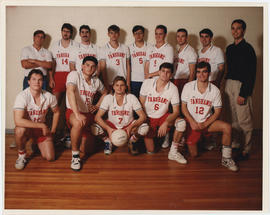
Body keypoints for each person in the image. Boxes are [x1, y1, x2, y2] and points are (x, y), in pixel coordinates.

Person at [181, 61, 238, 171]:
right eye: (198, 72)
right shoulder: (188, 86)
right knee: (194, 155)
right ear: (196, 73)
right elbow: (183, 108)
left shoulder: (215, 90)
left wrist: (205, 124)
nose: (201, 75)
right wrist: (192, 122)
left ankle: (226, 158)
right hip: (192, 122)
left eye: (204, 72)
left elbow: (217, 112)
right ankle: (193, 139)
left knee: (227, 127)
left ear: (209, 73)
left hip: (206, 122)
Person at [140, 62, 187, 164]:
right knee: (150, 151)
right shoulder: (147, 83)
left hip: (162, 117)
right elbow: (141, 104)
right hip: (148, 117)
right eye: (163, 71)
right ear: (159, 72)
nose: (165, 74)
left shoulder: (173, 88)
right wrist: (144, 120)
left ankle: (173, 152)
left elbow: (176, 111)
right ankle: (140, 138)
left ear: (171, 75)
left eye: (168, 72)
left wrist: (166, 122)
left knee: (181, 123)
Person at [66, 56, 107, 171]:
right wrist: (77, 113)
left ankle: (75, 139)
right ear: (82, 66)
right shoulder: (74, 75)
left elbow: (105, 93)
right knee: (78, 123)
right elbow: (70, 92)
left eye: (93, 66)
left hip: (88, 115)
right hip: (73, 112)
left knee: (88, 149)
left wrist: (97, 105)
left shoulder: (96, 81)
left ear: (95, 69)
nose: (90, 68)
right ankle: (75, 157)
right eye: (87, 65)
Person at [13, 69, 60, 170]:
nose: (37, 82)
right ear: (28, 81)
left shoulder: (49, 96)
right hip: (28, 128)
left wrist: (53, 130)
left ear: (43, 82)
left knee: (50, 157)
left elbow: (57, 112)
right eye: (33, 79)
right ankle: (21, 155)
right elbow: (18, 121)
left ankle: (35, 143)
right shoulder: (22, 96)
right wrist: (42, 125)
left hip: (40, 130)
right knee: (19, 130)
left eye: (40, 80)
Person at [224, 19, 257, 159]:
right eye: (233, 28)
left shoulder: (248, 49)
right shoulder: (230, 49)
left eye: (238, 28)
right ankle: (236, 143)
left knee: (244, 119)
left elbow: (251, 73)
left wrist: (244, 93)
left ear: (243, 30)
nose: (235, 31)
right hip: (229, 84)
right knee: (233, 118)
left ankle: (246, 149)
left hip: (241, 85)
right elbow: (228, 69)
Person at [94, 76, 148, 155]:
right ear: (113, 87)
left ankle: (132, 141)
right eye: (117, 85)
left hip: (128, 126)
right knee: (94, 128)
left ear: (125, 87)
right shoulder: (108, 98)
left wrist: (130, 127)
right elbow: (97, 117)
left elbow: (143, 116)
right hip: (112, 126)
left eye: (122, 85)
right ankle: (107, 141)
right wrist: (108, 129)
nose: (119, 88)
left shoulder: (131, 97)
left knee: (145, 127)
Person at [49, 23, 78, 146]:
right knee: (54, 105)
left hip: (71, 75)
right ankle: (52, 133)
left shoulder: (76, 45)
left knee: (70, 106)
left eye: (68, 31)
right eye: (64, 31)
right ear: (61, 32)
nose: (65, 33)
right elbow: (52, 64)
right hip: (58, 76)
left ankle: (68, 134)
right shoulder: (55, 45)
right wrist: (51, 77)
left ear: (71, 33)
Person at [99, 25, 131, 91]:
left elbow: (128, 66)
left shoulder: (125, 48)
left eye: (116, 33)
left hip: (123, 82)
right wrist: (106, 84)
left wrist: (128, 83)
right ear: (108, 34)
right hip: (110, 82)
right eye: (111, 33)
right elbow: (103, 68)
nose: (114, 35)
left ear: (119, 34)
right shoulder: (103, 49)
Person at [173, 28, 197, 95]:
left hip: (184, 80)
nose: (180, 39)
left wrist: (189, 87)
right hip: (175, 80)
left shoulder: (191, 51)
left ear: (186, 37)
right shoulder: (175, 51)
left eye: (182, 36)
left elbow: (192, 72)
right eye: (178, 36)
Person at [128, 25, 149, 98]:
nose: (138, 35)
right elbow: (128, 65)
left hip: (147, 79)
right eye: (136, 33)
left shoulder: (150, 47)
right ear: (133, 34)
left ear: (143, 34)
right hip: (134, 79)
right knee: (135, 101)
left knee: (146, 102)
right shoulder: (129, 48)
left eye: (140, 33)